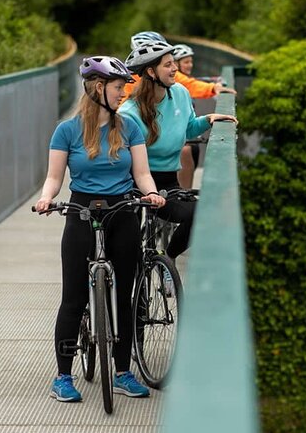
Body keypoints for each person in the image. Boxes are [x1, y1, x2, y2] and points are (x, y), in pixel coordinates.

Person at [34, 56, 166, 403]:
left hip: (123, 210)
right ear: (97, 88)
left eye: (123, 87)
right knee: (73, 298)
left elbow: (141, 173)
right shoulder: (66, 130)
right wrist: (46, 199)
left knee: (125, 294)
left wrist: (150, 193)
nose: (123, 93)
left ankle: (122, 372)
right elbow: (53, 177)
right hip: (81, 210)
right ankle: (63, 375)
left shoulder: (130, 128)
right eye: (118, 87)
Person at [118, 40, 238, 259]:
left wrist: (208, 119)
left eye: (174, 63)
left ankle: (167, 258)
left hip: (167, 181)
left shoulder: (180, 93)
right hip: (133, 184)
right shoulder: (129, 113)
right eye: (168, 65)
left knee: (201, 212)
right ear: (151, 72)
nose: (175, 69)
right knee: (129, 251)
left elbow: (188, 128)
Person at [170, 43, 237, 188]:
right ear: (176, 63)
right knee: (187, 152)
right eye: (186, 62)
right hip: (181, 138)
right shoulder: (177, 79)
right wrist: (213, 87)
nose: (190, 65)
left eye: (191, 61)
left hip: (186, 132)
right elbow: (192, 85)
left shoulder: (180, 80)